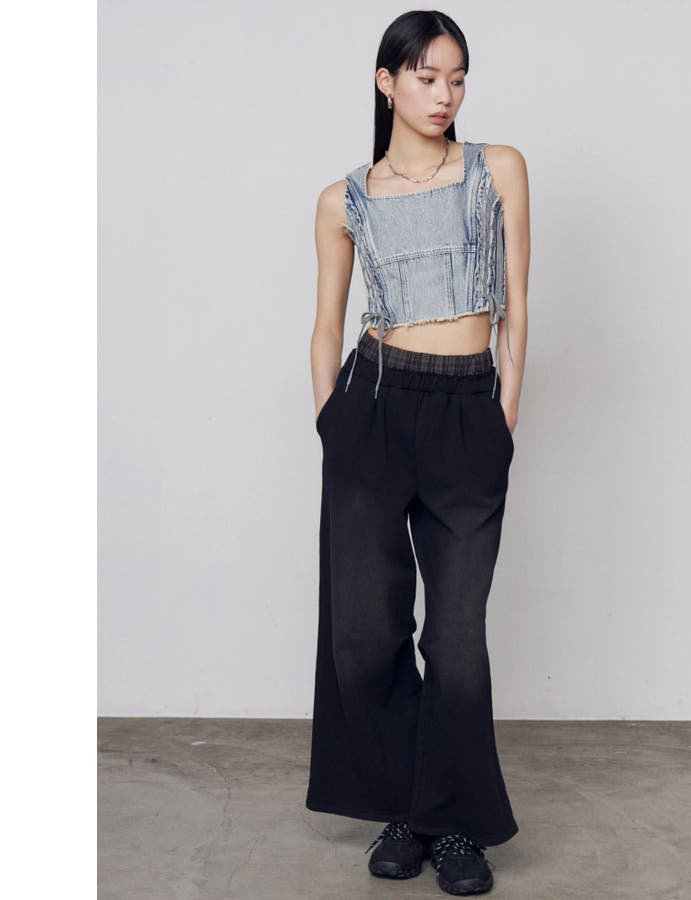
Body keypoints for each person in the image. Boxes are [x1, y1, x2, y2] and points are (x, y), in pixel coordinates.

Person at [306, 10, 528, 896]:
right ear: (386, 81)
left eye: (458, 78)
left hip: (467, 412)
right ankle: (406, 809)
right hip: (373, 408)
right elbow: (326, 324)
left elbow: (516, 305)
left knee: (456, 636)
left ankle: (456, 823)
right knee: (365, 631)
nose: (446, 95)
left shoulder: (496, 168)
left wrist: (504, 414)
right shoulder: (345, 199)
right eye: (428, 77)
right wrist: (331, 421)